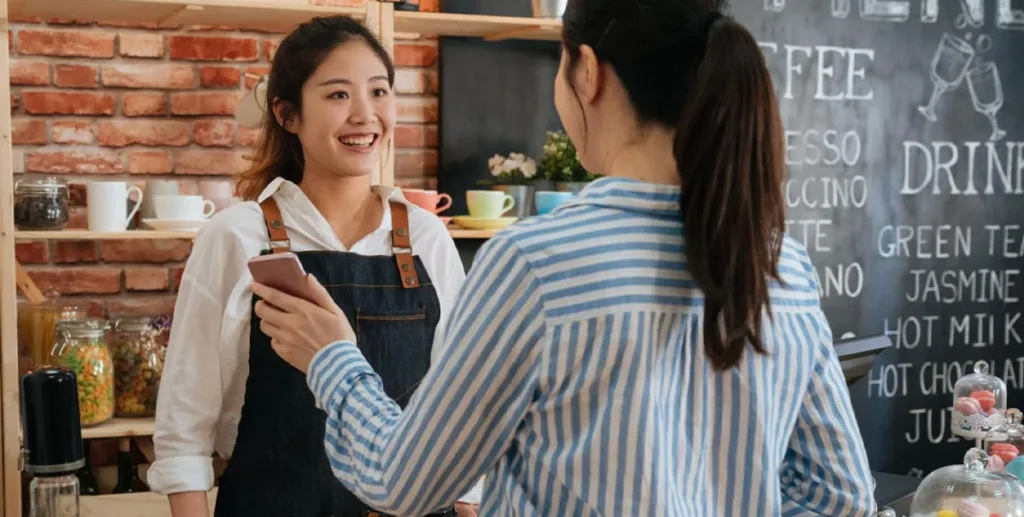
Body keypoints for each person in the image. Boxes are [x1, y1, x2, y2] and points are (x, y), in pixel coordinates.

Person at [252, 0, 878, 515]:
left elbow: (405, 483)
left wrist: (334, 359)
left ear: (587, 71)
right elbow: (841, 497)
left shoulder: (535, 264)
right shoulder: (781, 267)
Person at [147, 15, 482, 517]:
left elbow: (461, 405)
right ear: (288, 114)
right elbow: (184, 430)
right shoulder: (238, 236)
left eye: (379, 91)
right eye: (338, 95)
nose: (365, 115)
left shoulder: (425, 237)